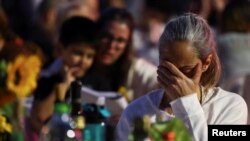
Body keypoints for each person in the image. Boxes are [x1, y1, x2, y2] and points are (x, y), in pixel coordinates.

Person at [115, 13, 248, 141]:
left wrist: (186, 103)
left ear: (206, 63)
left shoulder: (230, 106)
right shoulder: (137, 111)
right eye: (168, 68)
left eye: (186, 70)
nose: (176, 78)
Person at [28, 16, 97, 136]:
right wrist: (64, 85)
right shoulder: (48, 79)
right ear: (60, 49)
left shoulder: (95, 81)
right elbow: (41, 117)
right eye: (78, 53)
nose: (83, 61)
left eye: (89, 56)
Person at [81, 7, 158, 103]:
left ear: (127, 44)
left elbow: (155, 80)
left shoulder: (136, 72)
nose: (111, 46)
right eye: (107, 36)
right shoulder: (80, 63)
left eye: (120, 40)